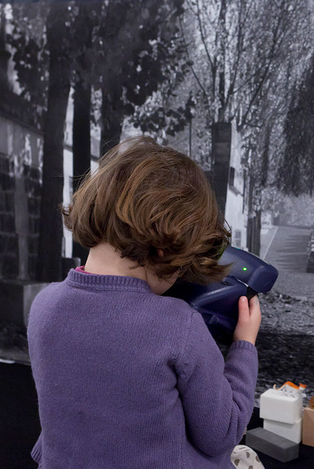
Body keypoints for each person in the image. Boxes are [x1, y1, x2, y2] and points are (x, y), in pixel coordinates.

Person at [27, 136, 263, 469]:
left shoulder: (44, 305)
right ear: (166, 247)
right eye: (183, 264)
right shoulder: (179, 325)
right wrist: (244, 346)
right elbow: (220, 434)